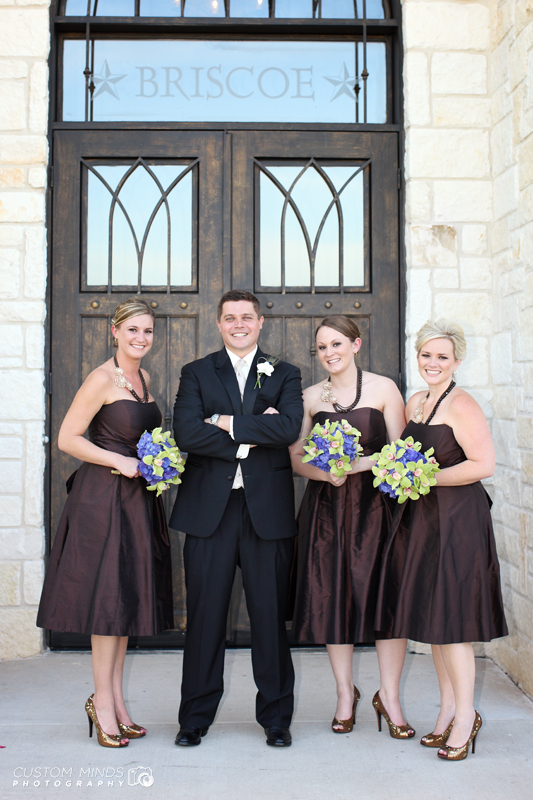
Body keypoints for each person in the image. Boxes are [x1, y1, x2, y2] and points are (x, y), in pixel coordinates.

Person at [37, 299, 173, 748]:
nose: (141, 338)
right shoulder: (100, 378)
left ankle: (115, 704)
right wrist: (119, 459)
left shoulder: (144, 378)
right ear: (114, 331)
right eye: (133, 330)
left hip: (137, 500)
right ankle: (102, 702)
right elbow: (67, 437)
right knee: (107, 603)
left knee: (124, 603)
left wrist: (157, 463)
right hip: (103, 500)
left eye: (148, 331)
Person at [170, 289, 303, 748]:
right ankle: (194, 718)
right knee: (205, 618)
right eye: (230, 318)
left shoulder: (285, 373)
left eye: (247, 317)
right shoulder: (196, 372)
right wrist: (251, 433)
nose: (239, 324)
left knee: (269, 618)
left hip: (266, 512)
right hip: (211, 511)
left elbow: (288, 429)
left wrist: (224, 422)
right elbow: (187, 432)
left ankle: (276, 718)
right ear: (220, 323)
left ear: (260, 322)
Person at [375, 319, 508, 761]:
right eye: (426, 355)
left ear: (457, 360)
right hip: (426, 522)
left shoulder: (462, 403)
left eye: (442, 357)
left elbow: (482, 464)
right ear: (418, 356)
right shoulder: (416, 402)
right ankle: (448, 710)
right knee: (436, 622)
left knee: (453, 624)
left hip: (458, 522)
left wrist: (423, 477)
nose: (432, 363)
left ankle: (466, 717)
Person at [290, 316, 415, 739]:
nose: (329, 353)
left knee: (387, 599)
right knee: (332, 597)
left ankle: (390, 697)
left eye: (337, 344)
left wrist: (357, 464)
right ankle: (346, 694)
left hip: (378, 509)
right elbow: (295, 459)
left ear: (356, 344)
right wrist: (326, 475)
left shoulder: (383, 389)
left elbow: (404, 453)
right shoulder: (308, 397)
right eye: (322, 347)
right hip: (327, 510)